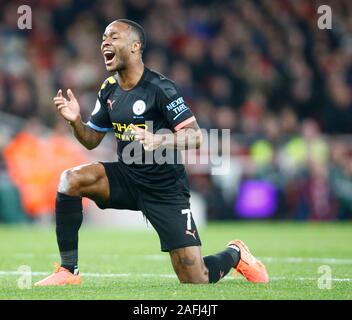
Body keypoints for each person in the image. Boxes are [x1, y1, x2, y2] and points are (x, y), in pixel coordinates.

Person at [34, 19, 268, 286]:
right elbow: (90, 140)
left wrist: (159, 140)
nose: (105, 43)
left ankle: (236, 254)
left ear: (135, 47)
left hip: (164, 188)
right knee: (70, 180)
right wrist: (75, 121)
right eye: (103, 38)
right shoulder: (109, 88)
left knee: (195, 279)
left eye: (113, 37)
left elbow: (196, 136)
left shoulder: (160, 88)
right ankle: (68, 271)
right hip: (126, 177)